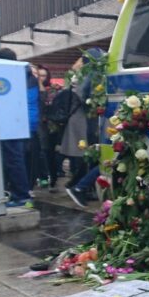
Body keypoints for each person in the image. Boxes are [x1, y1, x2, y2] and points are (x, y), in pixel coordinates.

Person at [60, 49, 105, 207]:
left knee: (89, 156)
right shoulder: (90, 74)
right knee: (90, 155)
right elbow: (86, 95)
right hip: (86, 120)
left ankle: (78, 185)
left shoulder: (79, 74)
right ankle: (79, 186)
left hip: (82, 120)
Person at [0, 49, 36, 208]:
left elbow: (24, 102)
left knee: (14, 159)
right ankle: (18, 194)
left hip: (15, 124)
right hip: (16, 123)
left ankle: (22, 196)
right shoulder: (23, 74)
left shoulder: (18, 75)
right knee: (13, 160)